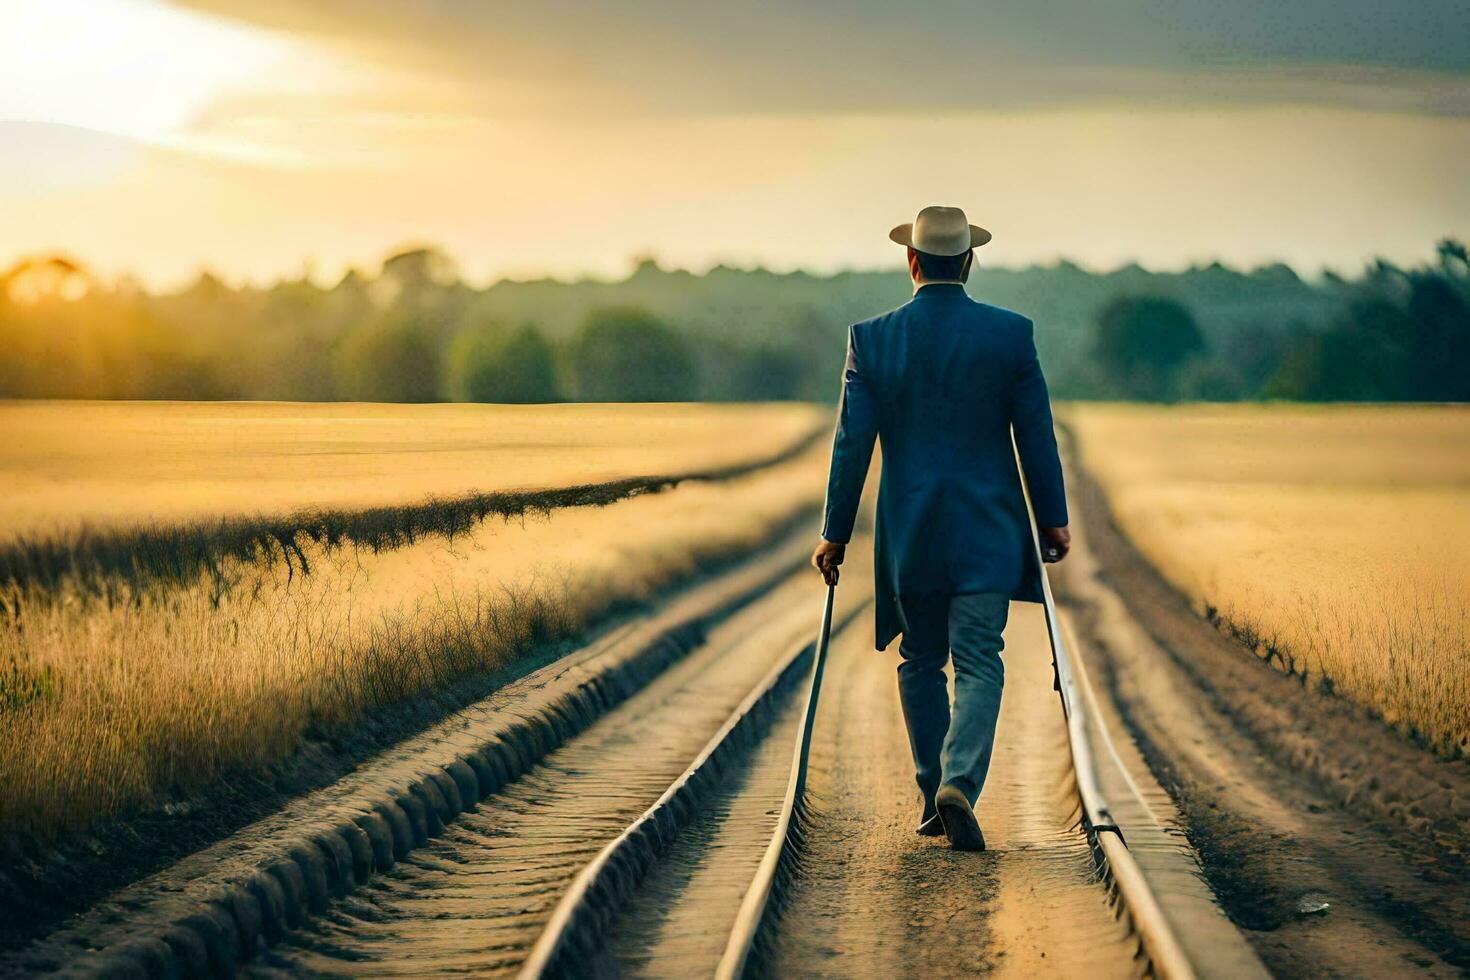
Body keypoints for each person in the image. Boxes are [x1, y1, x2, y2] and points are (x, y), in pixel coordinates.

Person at [812, 205, 1070, 852]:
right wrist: (1054, 520)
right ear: (971, 261)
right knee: (981, 661)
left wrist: (835, 531)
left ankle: (933, 793)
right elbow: (1035, 436)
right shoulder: (1011, 335)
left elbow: (853, 444)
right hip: (989, 530)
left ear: (912, 261)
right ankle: (960, 781)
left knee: (920, 659)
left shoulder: (872, 339)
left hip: (913, 534)